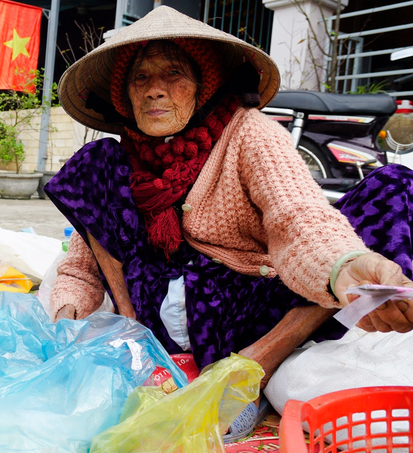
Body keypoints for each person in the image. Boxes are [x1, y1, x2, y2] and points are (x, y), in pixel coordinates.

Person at [44, 6, 413, 438]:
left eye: (174, 74)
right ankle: (143, 348)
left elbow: (298, 219)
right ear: (124, 94)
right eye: (140, 78)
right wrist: (66, 320)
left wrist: (342, 267)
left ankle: (254, 369)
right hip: (150, 318)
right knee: (89, 168)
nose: (154, 91)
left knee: (392, 188)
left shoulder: (250, 134)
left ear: (205, 84)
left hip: (242, 310)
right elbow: (80, 267)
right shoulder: (112, 164)